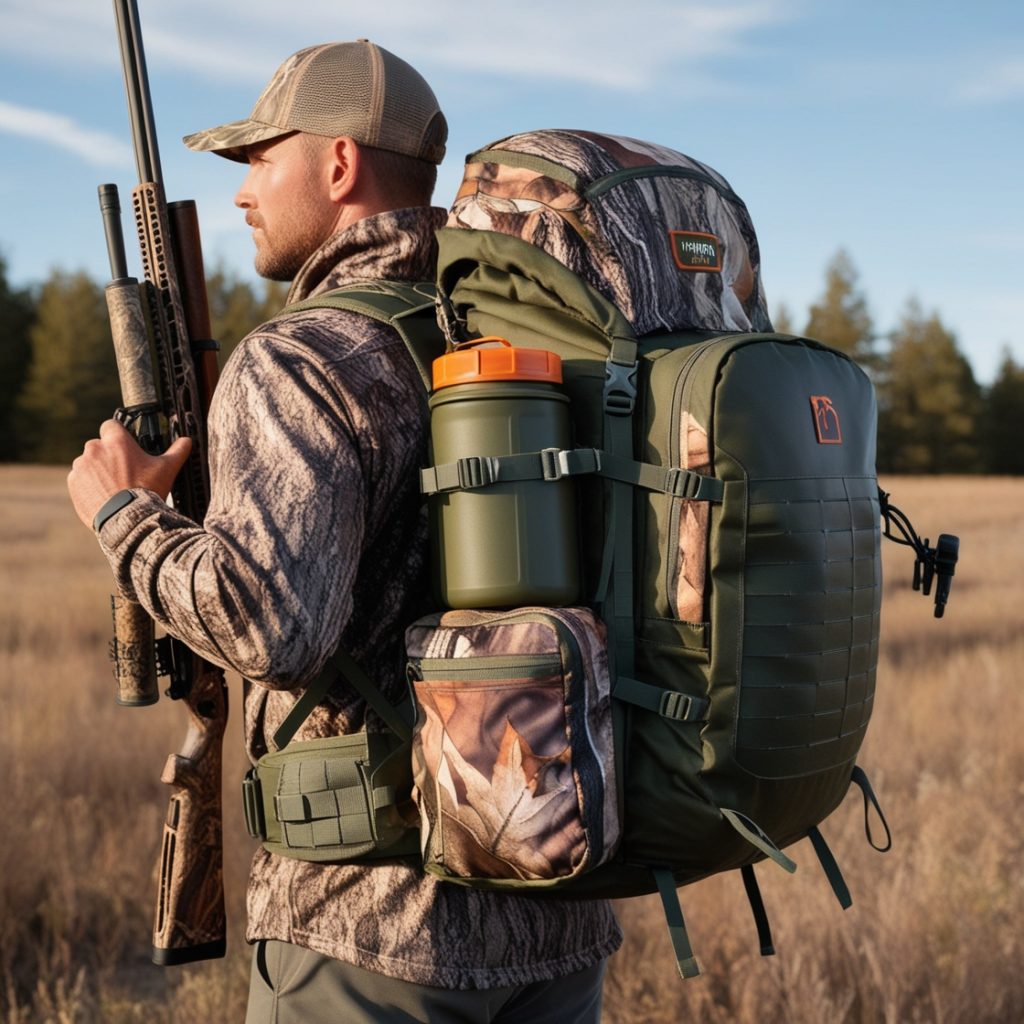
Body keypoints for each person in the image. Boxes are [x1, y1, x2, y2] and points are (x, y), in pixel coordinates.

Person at [67, 40, 621, 1024]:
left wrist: (124, 515)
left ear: (337, 163)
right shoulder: (530, 340)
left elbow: (273, 630)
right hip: (553, 906)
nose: (242, 192)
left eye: (260, 158)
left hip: (372, 936)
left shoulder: (302, 355)